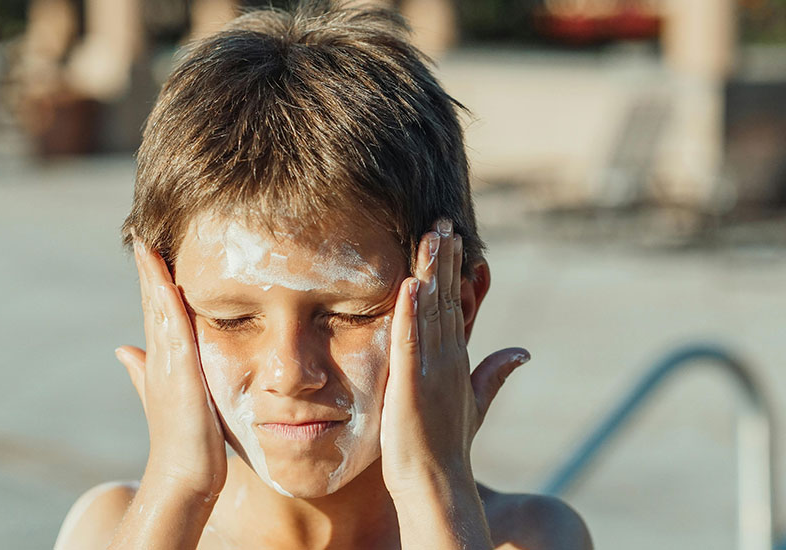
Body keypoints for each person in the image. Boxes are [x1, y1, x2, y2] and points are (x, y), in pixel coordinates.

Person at [54, 2, 593, 548]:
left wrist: (432, 486)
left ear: (458, 307)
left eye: (346, 314)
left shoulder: (527, 537)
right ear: (161, 309)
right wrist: (177, 487)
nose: (290, 372)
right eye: (231, 318)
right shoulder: (113, 528)